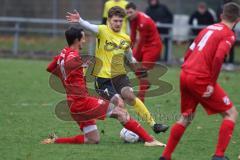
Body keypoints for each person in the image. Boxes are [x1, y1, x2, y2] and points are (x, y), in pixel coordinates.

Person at [41, 27, 165, 147]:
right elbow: (71, 63)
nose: (85, 41)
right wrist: (80, 65)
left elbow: (50, 68)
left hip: (72, 103)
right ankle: (149, 140)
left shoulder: (63, 53)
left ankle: (55, 141)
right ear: (77, 40)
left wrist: (67, 79)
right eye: (83, 38)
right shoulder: (73, 57)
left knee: (92, 139)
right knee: (121, 113)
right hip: (82, 102)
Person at [66, 7, 169, 134]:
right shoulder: (102, 31)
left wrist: (138, 66)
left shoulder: (125, 38)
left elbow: (130, 56)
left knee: (130, 96)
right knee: (120, 103)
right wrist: (80, 20)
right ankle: (138, 133)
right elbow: (90, 26)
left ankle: (154, 125)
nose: (118, 23)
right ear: (109, 20)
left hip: (119, 75)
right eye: (115, 21)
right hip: (103, 79)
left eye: (121, 21)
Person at [160, 2, 239, 160]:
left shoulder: (208, 28)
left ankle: (165, 156)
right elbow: (218, 57)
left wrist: (187, 69)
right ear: (237, 20)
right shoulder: (228, 34)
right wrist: (210, 83)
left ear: (221, 15)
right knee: (231, 113)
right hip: (200, 78)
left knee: (186, 117)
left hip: (186, 73)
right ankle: (219, 156)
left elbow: (190, 49)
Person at [126, 2, 163, 103]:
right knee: (129, 61)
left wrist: (133, 55)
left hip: (153, 47)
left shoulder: (143, 21)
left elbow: (141, 41)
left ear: (136, 11)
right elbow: (133, 36)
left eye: (131, 12)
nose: (129, 14)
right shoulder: (132, 19)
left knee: (143, 70)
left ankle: (141, 99)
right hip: (145, 45)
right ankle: (145, 83)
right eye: (127, 12)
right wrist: (128, 51)